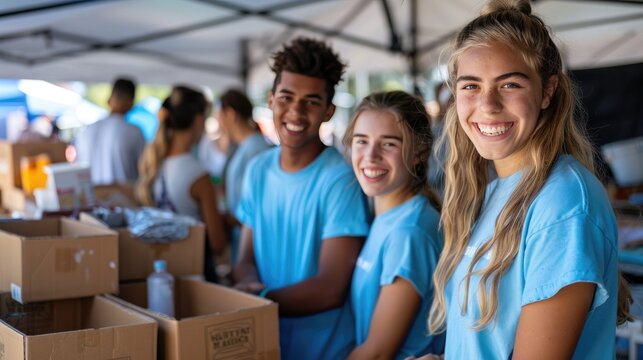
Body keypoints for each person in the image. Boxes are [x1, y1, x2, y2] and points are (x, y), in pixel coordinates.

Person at [421, 0, 633, 359]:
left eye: (509, 85)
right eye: (471, 86)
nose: (487, 104)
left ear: (547, 91)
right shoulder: (493, 191)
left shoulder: (563, 202)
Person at [232, 37, 370, 360]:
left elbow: (330, 289)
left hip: (324, 351)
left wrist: (260, 299)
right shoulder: (257, 169)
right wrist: (249, 284)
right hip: (267, 345)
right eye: (286, 97)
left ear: (328, 110)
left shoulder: (341, 180)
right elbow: (244, 258)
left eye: (310, 101)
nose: (295, 111)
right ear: (270, 100)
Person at [342, 91, 445, 359]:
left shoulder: (409, 232)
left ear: (418, 153)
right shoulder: (390, 217)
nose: (370, 155)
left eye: (388, 144)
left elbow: (376, 352)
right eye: (361, 141)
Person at [135, 86, 227, 282]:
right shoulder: (198, 175)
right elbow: (218, 244)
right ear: (199, 120)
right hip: (196, 278)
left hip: (162, 271)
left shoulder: (154, 163)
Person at [215, 89, 272, 263]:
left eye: (218, 116)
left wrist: (233, 219)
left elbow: (263, 204)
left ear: (230, 114)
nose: (217, 122)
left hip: (255, 248)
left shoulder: (256, 148)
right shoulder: (245, 146)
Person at [75, 77, 145, 184]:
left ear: (109, 100)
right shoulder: (135, 132)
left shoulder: (87, 130)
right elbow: (144, 169)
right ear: (131, 102)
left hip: (92, 197)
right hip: (125, 198)